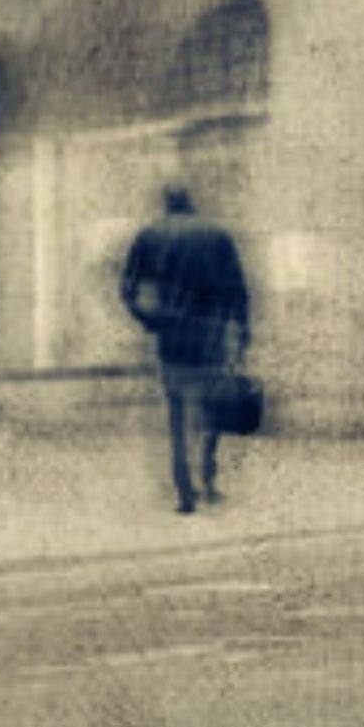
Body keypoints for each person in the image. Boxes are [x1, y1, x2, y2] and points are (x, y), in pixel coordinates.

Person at [120, 185, 250, 515]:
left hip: (172, 337)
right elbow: (239, 289)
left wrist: (149, 319)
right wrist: (242, 331)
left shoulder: (150, 234)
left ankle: (184, 491)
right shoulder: (217, 235)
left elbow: (127, 289)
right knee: (213, 409)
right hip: (211, 335)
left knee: (176, 414)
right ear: (193, 203)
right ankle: (207, 474)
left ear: (166, 204)